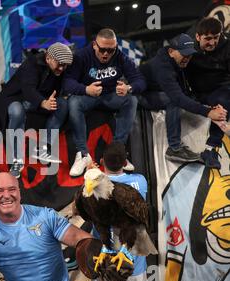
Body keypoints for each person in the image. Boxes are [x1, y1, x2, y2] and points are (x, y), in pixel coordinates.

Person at [64, 28, 146, 177]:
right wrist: (85, 89)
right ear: (95, 45)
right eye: (102, 50)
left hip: (110, 97)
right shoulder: (82, 56)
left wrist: (129, 87)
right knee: (73, 102)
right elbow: (67, 82)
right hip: (88, 97)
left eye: (110, 50)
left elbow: (140, 80)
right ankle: (83, 154)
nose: (106, 54)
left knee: (131, 100)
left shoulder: (120, 57)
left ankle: (118, 151)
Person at [140, 33, 228, 168]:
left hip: (159, 90)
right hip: (142, 94)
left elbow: (186, 92)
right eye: (184, 54)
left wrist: (211, 107)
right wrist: (208, 112)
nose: (187, 58)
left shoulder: (179, 61)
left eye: (190, 54)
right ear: (171, 52)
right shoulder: (162, 66)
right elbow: (177, 98)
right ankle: (174, 148)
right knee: (173, 100)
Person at [0, 43, 73, 178]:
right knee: (17, 111)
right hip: (16, 98)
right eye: (59, 64)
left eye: (65, 65)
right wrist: (43, 103)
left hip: (38, 101)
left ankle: (44, 147)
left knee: (63, 104)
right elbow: (28, 89)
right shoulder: (31, 63)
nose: (61, 68)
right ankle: (16, 160)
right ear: (48, 58)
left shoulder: (60, 70)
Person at [89, 142, 150, 281]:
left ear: (102, 162)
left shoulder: (91, 185)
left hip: (105, 267)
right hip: (133, 265)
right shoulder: (141, 181)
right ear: (125, 162)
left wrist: (93, 173)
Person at [187, 17, 230, 168]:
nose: (212, 43)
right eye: (208, 39)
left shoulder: (228, 47)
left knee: (224, 99)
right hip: (196, 93)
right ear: (198, 37)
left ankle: (210, 148)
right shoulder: (188, 49)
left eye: (216, 38)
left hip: (221, 91)